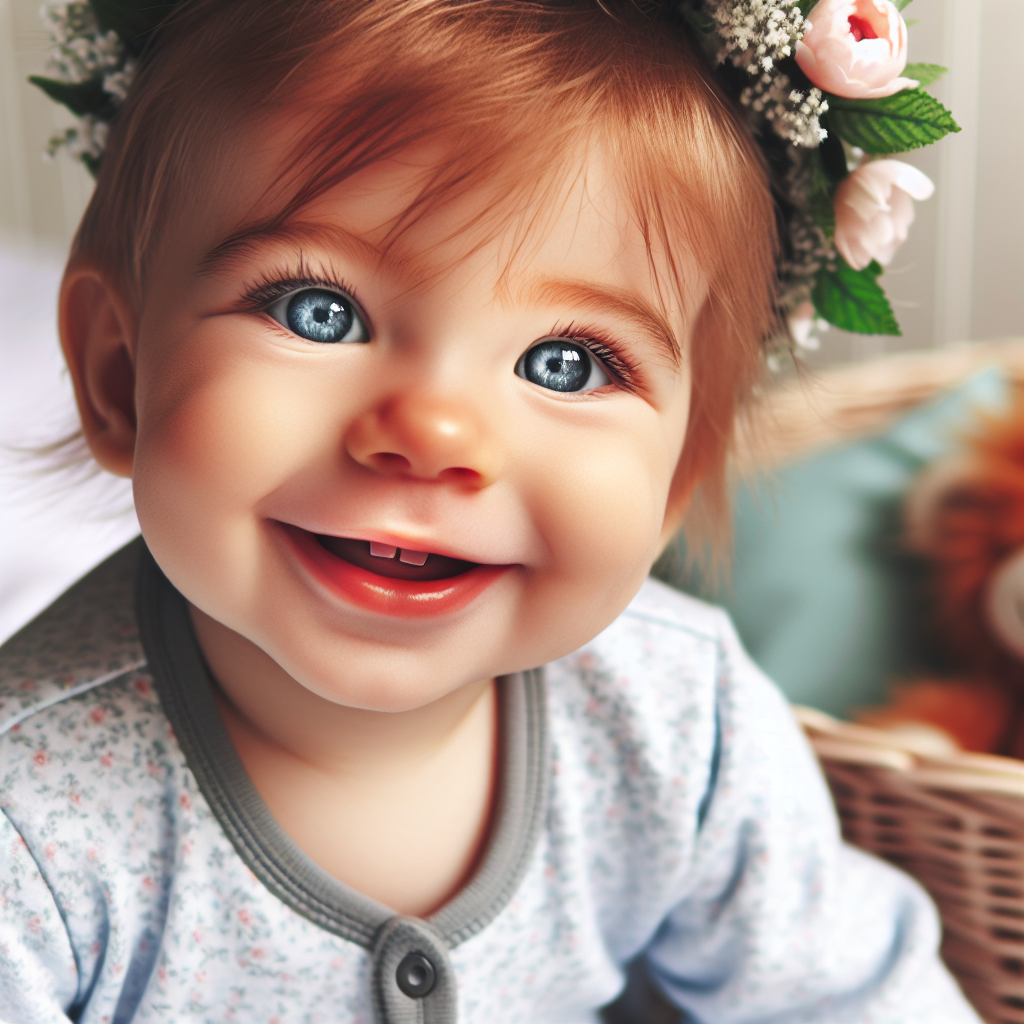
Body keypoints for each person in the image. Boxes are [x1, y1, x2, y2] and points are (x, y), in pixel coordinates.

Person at [0, 1, 980, 1021]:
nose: (433, 433)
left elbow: (846, 994)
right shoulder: (33, 827)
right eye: (318, 311)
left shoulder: (681, 720)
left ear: (674, 481)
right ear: (119, 376)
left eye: (566, 364)